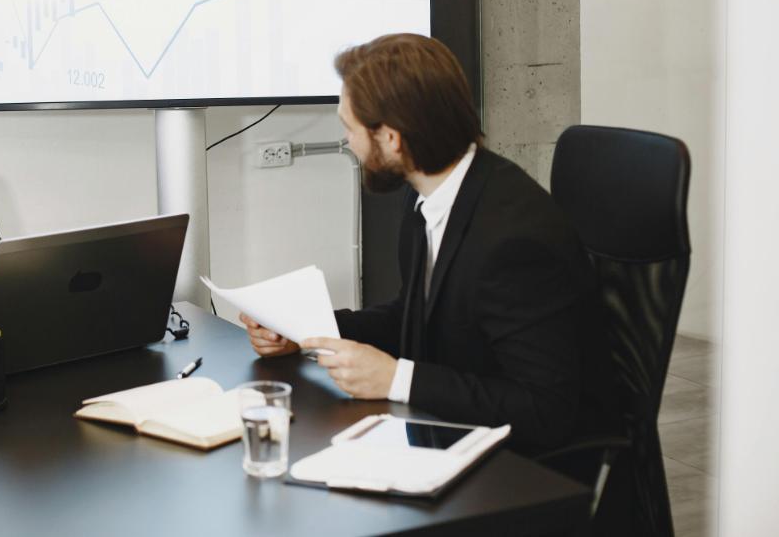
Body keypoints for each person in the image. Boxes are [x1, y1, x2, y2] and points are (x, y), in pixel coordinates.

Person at [241, 33, 611, 452]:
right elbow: (415, 314)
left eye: (349, 127)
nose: (347, 141)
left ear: (391, 139)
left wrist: (396, 379)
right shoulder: (427, 192)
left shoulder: (512, 241)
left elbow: (545, 411)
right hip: (453, 433)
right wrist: (305, 333)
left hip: (529, 471)